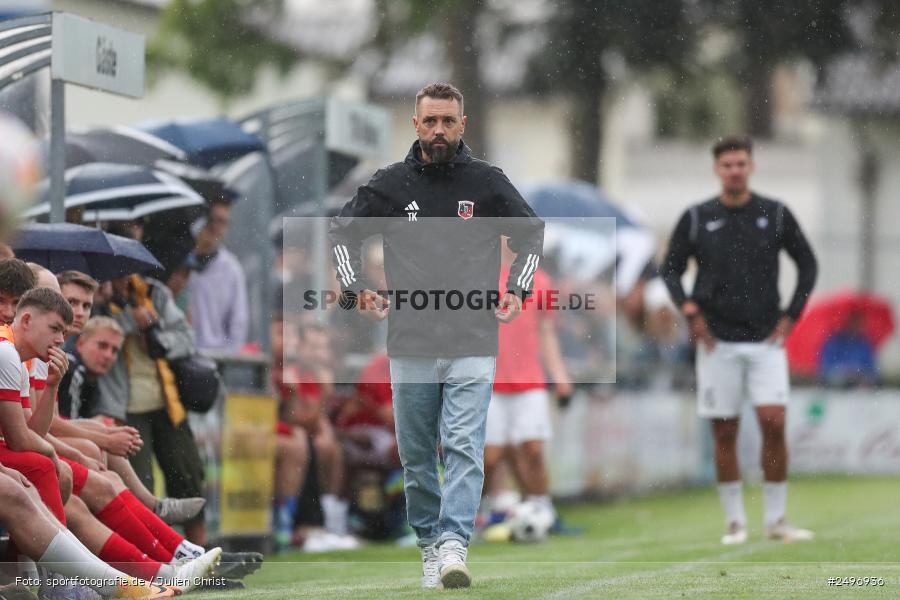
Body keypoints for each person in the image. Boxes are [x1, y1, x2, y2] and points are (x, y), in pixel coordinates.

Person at [330, 82, 544, 589]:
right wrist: (355, 287)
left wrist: (518, 287)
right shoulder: (390, 184)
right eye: (431, 122)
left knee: (465, 447)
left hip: (474, 338)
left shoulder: (487, 182)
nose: (440, 130)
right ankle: (429, 545)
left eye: (448, 121)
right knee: (419, 458)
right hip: (411, 345)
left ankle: (454, 543)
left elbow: (531, 232)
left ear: (462, 125)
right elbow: (343, 230)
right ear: (416, 125)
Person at [661, 136, 818, 545]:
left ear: (751, 166)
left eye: (741, 163)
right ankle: (735, 522)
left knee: (773, 422)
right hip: (718, 342)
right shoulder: (697, 217)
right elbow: (671, 270)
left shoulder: (776, 213)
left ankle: (776, 520)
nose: (735, 170)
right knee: (725, 430)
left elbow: (808, 263)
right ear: (717, 169)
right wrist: (690, 312)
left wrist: (792, 315)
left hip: (767, 338)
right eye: (728, 164)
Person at [94, 272, 208, 545]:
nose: (123, 280)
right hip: (123, 409)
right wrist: (128, 322)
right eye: (118, 272)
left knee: (188, 474)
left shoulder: (154, 293)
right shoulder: (98, 293)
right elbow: (90, 335)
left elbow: (187, 339)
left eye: (128, 272)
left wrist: (155, 333)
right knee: (140, 484)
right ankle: (154, 551)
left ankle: (203, 549)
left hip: (167, 405)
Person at [481, 239, 570, 529]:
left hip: (529, 379)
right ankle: (469, 517)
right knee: (488, 457)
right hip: (489, 381)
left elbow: (546, 332)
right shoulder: (479, 275)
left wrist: (559, 374)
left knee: (533, 448)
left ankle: (544, 513)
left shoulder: (540, 280)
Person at [186, 197, 249, 352]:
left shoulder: (232, 269)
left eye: (222, 222)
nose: (215, 228)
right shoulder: (182, 262)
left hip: (216, 357)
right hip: (181, 352)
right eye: (211, 220)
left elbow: (238, 323)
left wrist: (226, 356)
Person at [817, 310, 879, 387]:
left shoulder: (865, 343)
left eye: (860, 323)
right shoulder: (835, 340)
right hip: (836, 381)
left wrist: (859, 371)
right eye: (855, 322)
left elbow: (871, 366)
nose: (858, 325)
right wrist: (843, 369)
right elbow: (826, 363)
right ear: (848, 321)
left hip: (859, 382)